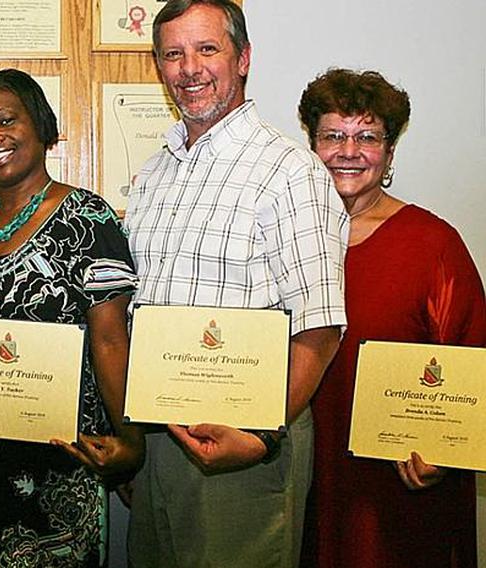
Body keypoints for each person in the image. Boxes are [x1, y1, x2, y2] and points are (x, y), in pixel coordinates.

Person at [123, 2, 349, 567]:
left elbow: (319, 329)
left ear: (243, 58)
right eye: (173, 54)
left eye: (207, 49)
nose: (189, 68)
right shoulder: (153, 174)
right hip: (158, 440)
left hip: (245, 445)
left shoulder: (289, 172)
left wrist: (261, 435)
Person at [0, 68, 143, 567]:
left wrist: (131, 438)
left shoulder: (87, 219)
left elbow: (110, 339)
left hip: (62, 464)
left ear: (40, 126)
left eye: (6, 120)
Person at [297, 68, 486, 568]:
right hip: (299, 471)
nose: (348, 151)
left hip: (397, 479)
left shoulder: (433, 244)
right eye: (333, 135)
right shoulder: (284, 237)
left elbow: (470, 359)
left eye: (367, 137)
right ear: (311, 145)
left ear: (390, 151)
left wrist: (445, 451)